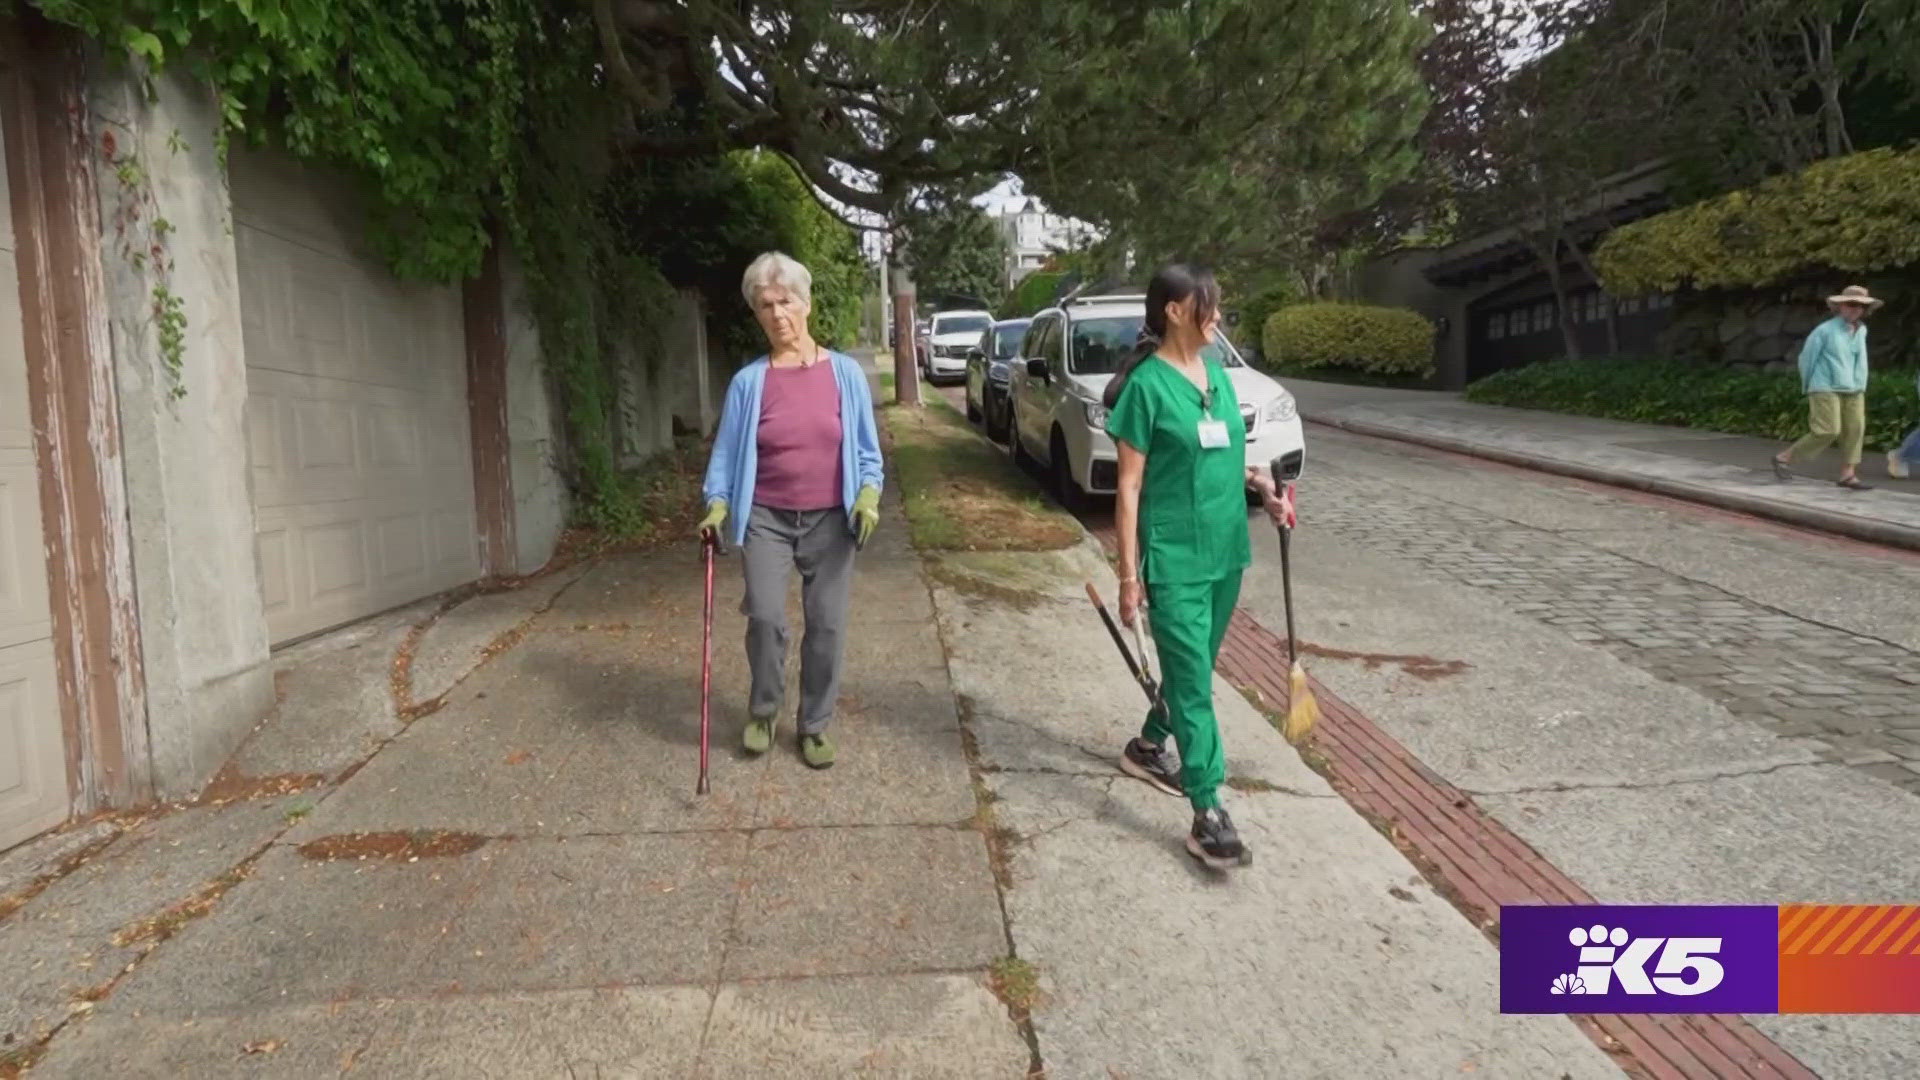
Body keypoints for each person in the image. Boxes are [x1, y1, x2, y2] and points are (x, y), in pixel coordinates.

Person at [1104, 264, 1296, 869]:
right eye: (1207, 306)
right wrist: (1129, 576)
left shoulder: (1213, 373)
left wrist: (1263, 487)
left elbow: (1220, 453)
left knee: (1194, 672)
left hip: (1224, 554)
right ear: (1174, 311)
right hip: (1174, 560)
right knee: (1195, 689)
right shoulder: (1146, 388)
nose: (1217, 316)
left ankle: (1146, 745)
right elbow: (1130, 487)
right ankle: (1208, 808)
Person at [699, 252, 884, 769]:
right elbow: (725, 456)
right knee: (764, 617)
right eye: (765, 305)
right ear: (756, 314)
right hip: (765, 518)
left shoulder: (844, 374)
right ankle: (763, 711)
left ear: (806, 304)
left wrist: (868, 495)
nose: (778, 314)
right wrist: (717, 504)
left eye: (786, 301)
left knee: (825, 625)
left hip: (831, 520)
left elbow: (868, 453)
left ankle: (815, 724)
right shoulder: (748, 383)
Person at [1773, 285, 1881, 490]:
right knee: (1827, 430)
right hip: (1825, 385)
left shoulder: (1862, 330)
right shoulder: (1824, 331)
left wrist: (1861, 384)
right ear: (1840, 306)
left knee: (1855, 429)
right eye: (1851, 304)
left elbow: (1860, 360)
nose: (1855, 309)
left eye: (1860, 306)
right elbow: (1806, 358)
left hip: (1854, 387)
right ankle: (1784, 458)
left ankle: (1848, 475)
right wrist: (1809, 385)